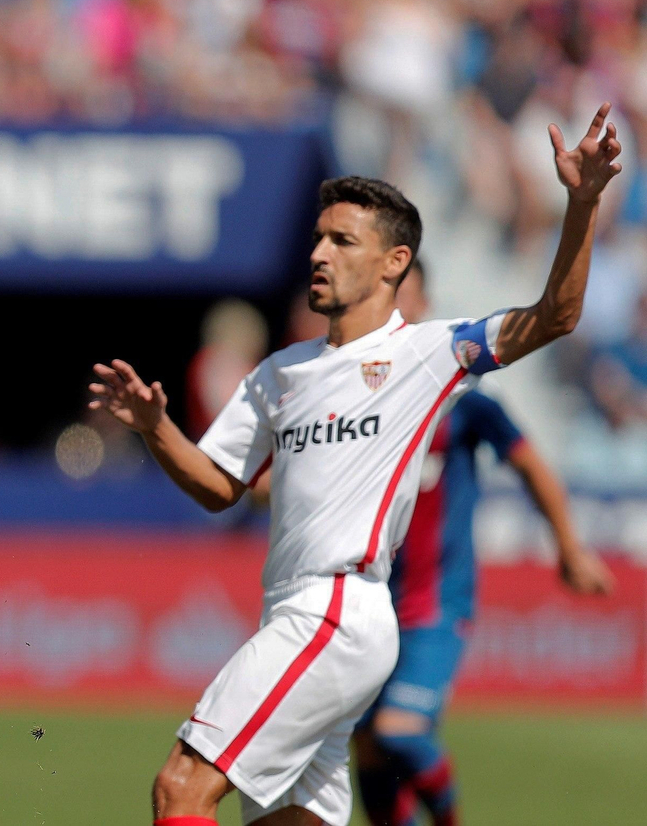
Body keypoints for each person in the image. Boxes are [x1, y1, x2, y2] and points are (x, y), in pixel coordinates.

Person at [87, 104, 622, 826]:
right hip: (298, 612)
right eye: (318, 238)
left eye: (343, 240)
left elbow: (555, 315)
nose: (319, 253)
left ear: (394, 262)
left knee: (181, 789)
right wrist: (157, 430)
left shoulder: (429, 352)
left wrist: (583, 202)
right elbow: (218, 487)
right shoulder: (280, 372)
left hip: (335, 611)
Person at [353, 260, 615, 826]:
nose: (396, 308)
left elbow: (529, 464)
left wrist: (568, 547)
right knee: (368, 750)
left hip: (435, 601)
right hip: (366, 601)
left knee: (398, 731)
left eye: (406, 296)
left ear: (424, 304)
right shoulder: (355, 393)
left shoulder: (462, 398)